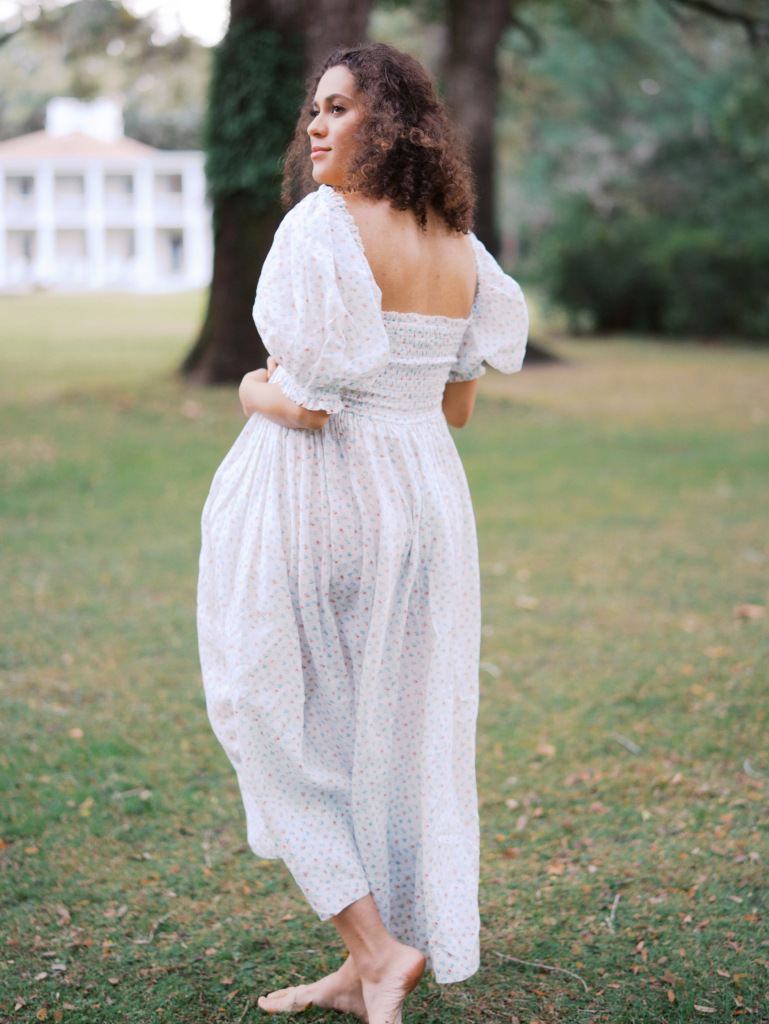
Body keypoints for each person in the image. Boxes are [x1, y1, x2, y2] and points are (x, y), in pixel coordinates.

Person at [197, 42, 528, 1024]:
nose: (316, 125)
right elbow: (455, 408)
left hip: (324, 498)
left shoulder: (325, 225)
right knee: (390, 733)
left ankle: (378, 952)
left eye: (338, 107)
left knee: (267, 710)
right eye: (314, 109)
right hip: (424, 503)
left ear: (388, 120)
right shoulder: (461, 247)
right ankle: (362, 963)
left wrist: (250, 386)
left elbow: (308, 405)